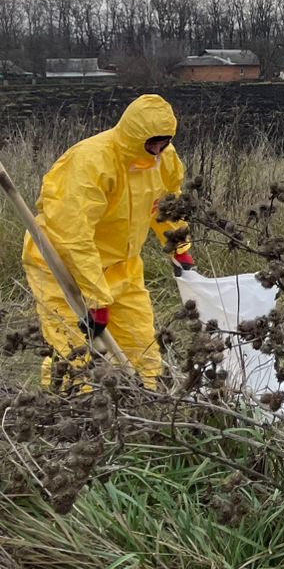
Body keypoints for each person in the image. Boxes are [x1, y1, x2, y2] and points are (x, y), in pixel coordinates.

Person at [23, 94, 195, 391]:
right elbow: (73, 236)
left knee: (142, 350)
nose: (157, 149)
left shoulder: (163, 159)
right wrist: (97, 300)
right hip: (62, 268)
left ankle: (145, 409)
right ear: (133, 134)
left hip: (122, 266)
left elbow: (166, 203)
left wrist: (180, 246)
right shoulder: (91, 162)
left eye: (163, 142)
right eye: (152, 143)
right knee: (76, 351)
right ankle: (72, 415)